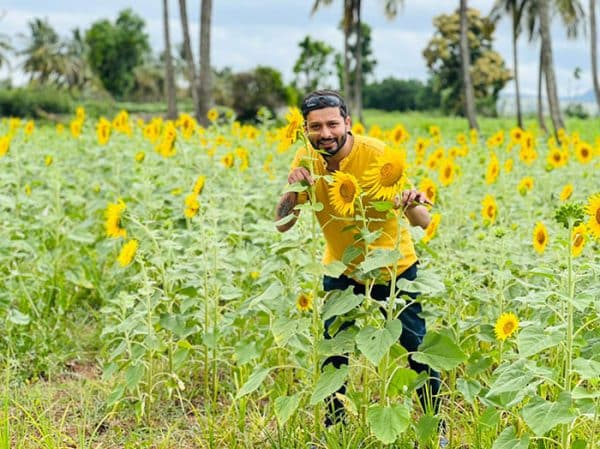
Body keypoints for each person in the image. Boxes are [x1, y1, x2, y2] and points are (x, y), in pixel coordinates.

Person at [275, 89, 443, 437]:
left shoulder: (378, 155)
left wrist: (409, 200)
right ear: (305, 129)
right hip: (341, 268)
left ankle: (435, 429)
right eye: (316, 127)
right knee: (334, 354)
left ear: (347, 123)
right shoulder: (304, 158)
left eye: (333, 124)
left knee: (417, 350)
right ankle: (335, 431)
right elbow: (283, 224)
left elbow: (422, 220)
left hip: (393, 269)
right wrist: (293, 190)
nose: (325, 134)